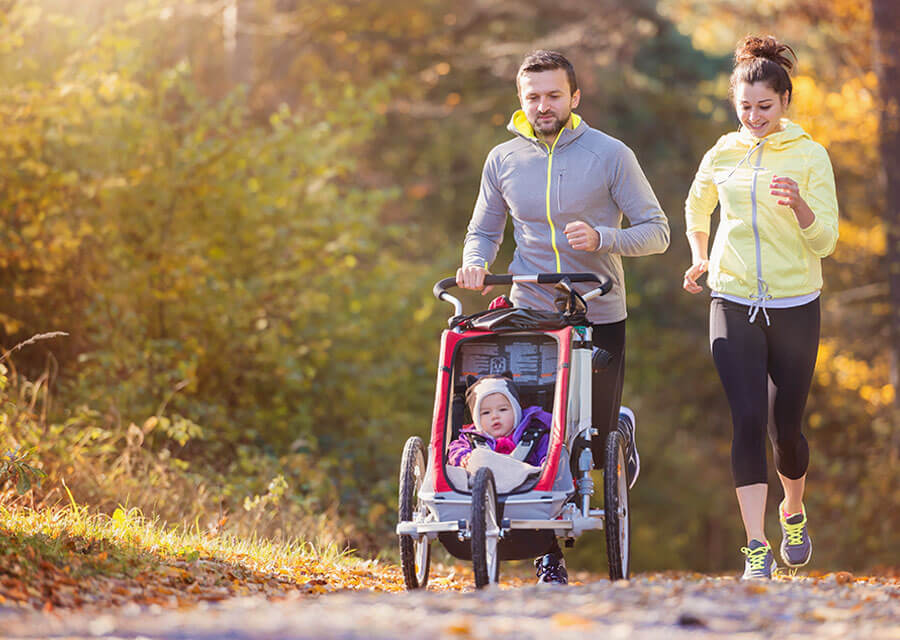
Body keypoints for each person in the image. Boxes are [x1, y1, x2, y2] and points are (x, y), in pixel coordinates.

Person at [456, 49, 669, 583]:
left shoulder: (610, 154)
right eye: (533, 97)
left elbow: (657, 231)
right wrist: (475, 263)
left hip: (597, 307)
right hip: (531, 312)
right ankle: (550, 553)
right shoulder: (503, 159)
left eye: (554, 95)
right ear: (520, 101)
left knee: (590, 443)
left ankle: (615, 425)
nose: (543, 106)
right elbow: (484, 230)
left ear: (575, 98)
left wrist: (604, 238)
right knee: (535, 432)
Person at [682, 35, 839, 580]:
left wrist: (799, 206)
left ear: (785, 102)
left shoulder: (810, 155)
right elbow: (696, 205)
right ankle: (756, 547)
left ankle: (792, 509)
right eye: (744, 107)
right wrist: (700, 256)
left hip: (796, 305)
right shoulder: (722, 152)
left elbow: (826, 243)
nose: (753, 117)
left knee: (786, 430)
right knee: (747, 418)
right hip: (732, 297)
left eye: (764, 107)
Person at [447, 375, 551, 469]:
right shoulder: (469, 438)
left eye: (503, 410)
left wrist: (545, 464)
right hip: (483, 485)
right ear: (477, 419)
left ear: (516, 412)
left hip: (528, 485)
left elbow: (547, 455)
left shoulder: (535, 435)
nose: (495, 416)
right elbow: (455, 450)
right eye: (486, 412)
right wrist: (464, 458)